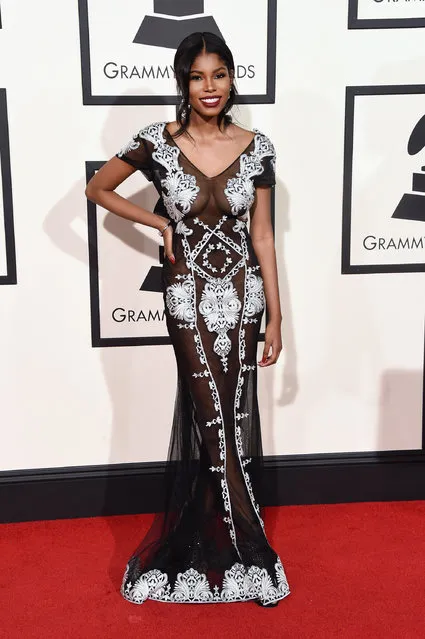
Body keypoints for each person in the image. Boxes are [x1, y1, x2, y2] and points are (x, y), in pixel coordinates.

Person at [85, 31, 290, 607]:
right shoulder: (157, 142)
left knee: (229, 418)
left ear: (232, 80)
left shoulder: (259, 146)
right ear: (183, 81)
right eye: (198, 76)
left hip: (244, 299)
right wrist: (157, 223)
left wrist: (276, 316)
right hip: (188, 299)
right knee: (212, 421)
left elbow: (264, 234)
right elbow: (98, 189)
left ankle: (210, 530)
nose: (209, 87)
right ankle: (249, 543)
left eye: (219, 75)